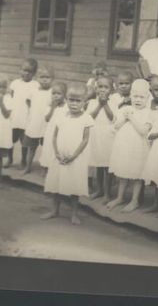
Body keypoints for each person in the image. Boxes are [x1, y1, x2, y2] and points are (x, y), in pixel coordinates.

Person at [41, 83, 93, 225]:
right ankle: (54, 210)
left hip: (75, 158)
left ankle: (74, 213)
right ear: (66, 99)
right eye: (71, 100)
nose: (74, 104)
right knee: (56, 183)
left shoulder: (86, 118)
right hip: (60, 157)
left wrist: (74, 156)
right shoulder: (61, 116)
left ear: (85, 102)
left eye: (78, 101)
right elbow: (54, 136)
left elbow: (85, 140)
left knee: (73, 185)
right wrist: (57, 153)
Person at [107, 79, 152, 212]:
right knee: (123, 172)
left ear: (147, 97)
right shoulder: (126, 109)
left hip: (138, 148)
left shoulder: (148, 113)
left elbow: (144, 131)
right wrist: (124, 118)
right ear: (130, 96)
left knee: (136, 175)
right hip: (124, 146)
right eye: (135, 96)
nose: (138, 100)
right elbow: (116, 126)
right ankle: (120, 197)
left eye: (141, 97)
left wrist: (132, 119)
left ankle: (134, 200)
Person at [87, 76, 117, 203]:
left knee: (107, 166)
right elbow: (90, 117)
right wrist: (99, 104)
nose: (103, 90)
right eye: (100, 87)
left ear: (111, 90)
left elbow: (112, 118)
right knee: (98, 164)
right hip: (96, 136)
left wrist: (105, 105)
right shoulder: (92, 102)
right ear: (96, 88)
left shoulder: (114, 103)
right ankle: (99, 189)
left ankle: (107, 193)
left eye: (106, 87)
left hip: (108, 137)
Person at [5, 58, 39, 168]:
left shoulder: (36, 85)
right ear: (20, 70)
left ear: (34, 73)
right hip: (15, 115)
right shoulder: (15, 83)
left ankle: (23, 160)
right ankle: (9, 159)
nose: (26, 73)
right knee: (10, 139)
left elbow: (36, 101)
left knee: (24, 142)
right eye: (24, 70)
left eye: (30, 71)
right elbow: (10, 97)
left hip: (26, 117)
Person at [23, 66, 54, 175]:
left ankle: (45, 169)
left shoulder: (53, 92)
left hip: (47, 124)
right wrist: (33, 113)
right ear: (37, 78)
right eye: (42, 77)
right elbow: (28, 101)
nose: (45, 79)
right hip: (35, 122)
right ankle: (28, 167)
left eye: (48, 77)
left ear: (52, 79)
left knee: (47, 147)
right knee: (31, 147)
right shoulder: (33, 91)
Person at [39, 82, 68, 172]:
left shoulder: (66, 107)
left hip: (61, 132)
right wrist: (53, 107)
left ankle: (57, 167)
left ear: (64, 95)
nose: (55, 96)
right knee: (48, 148)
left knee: (58, 148)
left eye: (58, 94)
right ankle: (46, 167)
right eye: (53, 93)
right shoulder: (49, 106)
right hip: (50, 132)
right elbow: (47, 119)